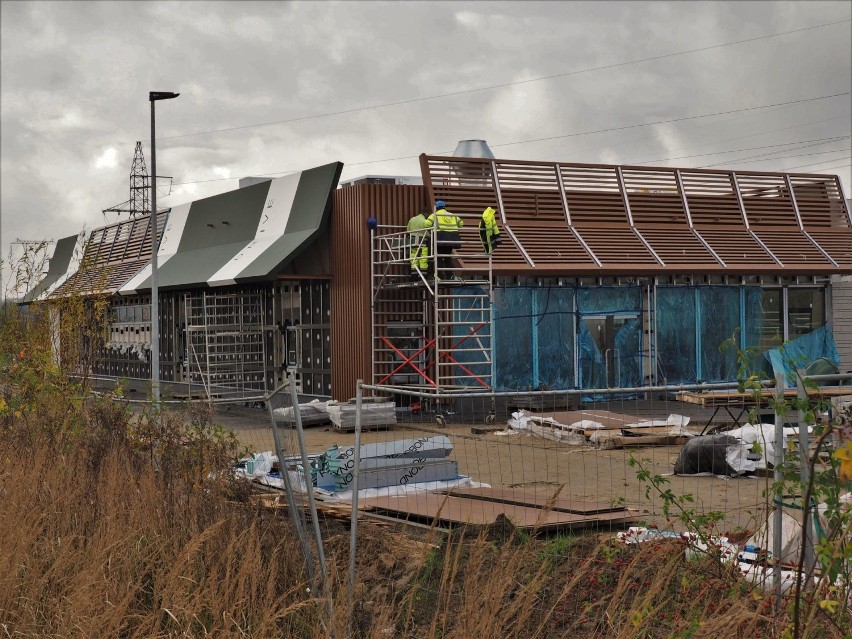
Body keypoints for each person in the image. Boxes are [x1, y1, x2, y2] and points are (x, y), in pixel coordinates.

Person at [426, 200, 463, 279]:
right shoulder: (452, 215)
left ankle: (439, 275)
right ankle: (449, 275)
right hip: (452, 238)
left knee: (439, 257)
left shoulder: (434, 215)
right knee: (447, 257)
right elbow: (461, 223)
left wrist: (432, 229)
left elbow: (427, 224)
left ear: (436, 207)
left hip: (440, 237)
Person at [407, 207, 431, 280]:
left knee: (414, 257)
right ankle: (423, 276)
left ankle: (414, 275)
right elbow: (428, 233)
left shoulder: (412, 219)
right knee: (423, 258)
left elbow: (408, 230)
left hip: (413, 240)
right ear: (426, 213)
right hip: (423, 241)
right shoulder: (424, 221)